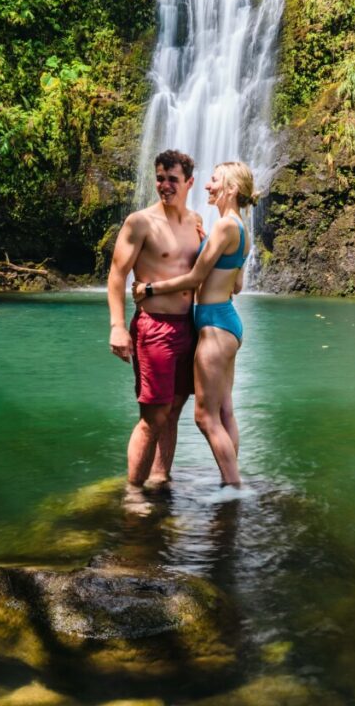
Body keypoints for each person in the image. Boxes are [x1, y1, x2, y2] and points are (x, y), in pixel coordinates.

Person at [133, 161, 257, 488]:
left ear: (230, 189)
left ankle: (234, 488)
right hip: (227, 323)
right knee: (225, 411)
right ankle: (231, 483)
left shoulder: (224, 228)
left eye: (214, 180)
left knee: (205, 417)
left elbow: (195, 277)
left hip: (214, 326)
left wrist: (150, 288)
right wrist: (208, 246)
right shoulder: (239, 229)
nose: (207, 186)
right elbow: (238, 285)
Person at [107, 149, 203, 491]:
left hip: (188, 327)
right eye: (160, 178)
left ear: (189, 182)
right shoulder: (141, 222)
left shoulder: (196, 223)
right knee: (153, 415)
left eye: (172, 179)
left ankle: (160, 477)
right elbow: (117, 275)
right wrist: (117, 326)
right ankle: (134, 490)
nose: (165, 186)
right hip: (153, 327)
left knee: (174, 409)